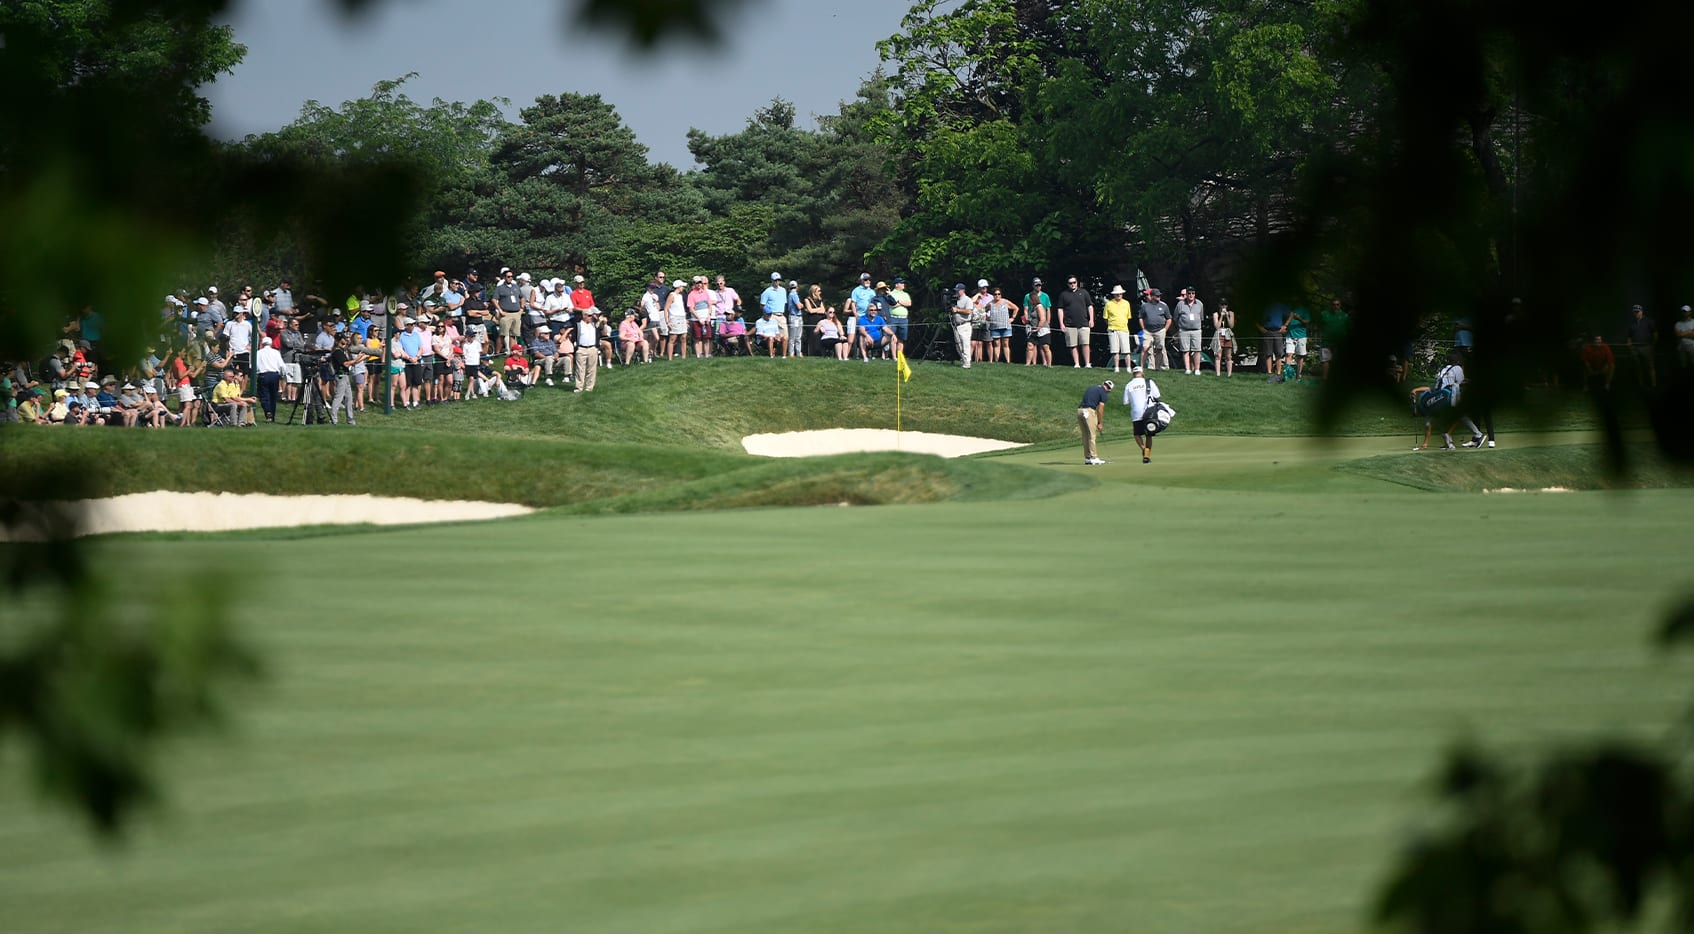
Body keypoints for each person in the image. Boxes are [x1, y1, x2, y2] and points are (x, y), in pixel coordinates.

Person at [1411, 353, 1468, 450]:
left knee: (1429, 421)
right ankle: (1448, 438)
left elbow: (1432, 388)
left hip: (1435, 397)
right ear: (1458, 362)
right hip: (1447, 396)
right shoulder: (1457, 368)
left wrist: (1415, 390)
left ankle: (1425, 444)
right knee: (1459, 416)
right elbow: (1461, 383)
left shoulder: (1443, 370)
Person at [1121, 365, 1162, 463]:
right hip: (1149, 411)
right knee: (1149, 434)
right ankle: (1147, 454)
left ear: (1133, 374)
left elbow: (1125, 402)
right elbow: (1157, 395)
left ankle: (1143, 449)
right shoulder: (1148, 382)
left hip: (1136, 412)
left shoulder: (1129, 385)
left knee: (1137, 434)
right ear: (1142, 373)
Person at [1056, 275, 1096, 367]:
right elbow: (1060, 309)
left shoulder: (1084, 292)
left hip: (1084, 323)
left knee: (1085, 343)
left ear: (1077, 283)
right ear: (1067, 284)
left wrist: (1091, 319)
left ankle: (1087, 363)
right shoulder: (1064, 294)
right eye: (1070, 283)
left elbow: (1090, 306)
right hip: (1069, 324)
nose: (1072, 284)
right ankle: (1077, 363)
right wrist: (1061, 323)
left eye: (1074, 282)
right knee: (1072, 345)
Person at [1077, 377, 1114, 466]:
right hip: (1089, 411)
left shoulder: (1092, 388)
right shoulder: (1104, 393)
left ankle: (1088, 458)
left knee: (1085, 435)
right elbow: (1100, 409)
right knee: (1092, 435)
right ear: (1109, 389)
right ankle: (1094, 457)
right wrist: (1100, 423)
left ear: (1103, 383)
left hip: (1080, 411)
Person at [1137, 288, 1171, 371]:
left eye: (1159, 295)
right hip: (1148, 331)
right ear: (1152, 296)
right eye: (1157, 296)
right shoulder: (1145, 306)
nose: (1159, 297)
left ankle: (1157, 367)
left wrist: (1165, 330)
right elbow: (1140, 317)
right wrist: (1143, 328)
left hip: (1160, 330)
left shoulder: (1164, 305)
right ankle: (1142, 367)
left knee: (1159, 348)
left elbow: (1169, 319)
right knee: (1145, 348)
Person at [1102, 285, 1134, 372]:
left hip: (1124, 329)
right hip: (1113, 329)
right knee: (1115, 350)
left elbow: (1128, 317)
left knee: (1126, 350)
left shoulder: (1126, 303)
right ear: (1114, 295)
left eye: (1120, 294)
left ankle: (1128, 368)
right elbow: (1105, 318)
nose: (1119, 295)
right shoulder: (1109, 304)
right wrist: (1111, 325)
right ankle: (1116, 367)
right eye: (1117, 294)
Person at [1175, 286, 1205, 375]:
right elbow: (1175, 317)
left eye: (1193, 293)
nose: (1191, 295)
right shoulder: (1180, 304)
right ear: (1186, 294)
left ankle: (1197, 369)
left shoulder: (1199, 304)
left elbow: (1201, 317)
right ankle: (1187, 369)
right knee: (1185, 350)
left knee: (1197, 350)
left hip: (1196, 330)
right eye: (1189, 293)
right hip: (1184, 330)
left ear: (1195, 294)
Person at [1022, 277, 1052, 366]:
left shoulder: (1039, 307)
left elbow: (1043, 319)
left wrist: (1037, 329)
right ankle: (1028, 364)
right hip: (1033, 327)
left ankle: (1049, 364)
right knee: (1030, 345)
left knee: (1045, 346)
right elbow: (1025, 310)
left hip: (1042, 328)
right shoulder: (1029, 298)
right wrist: (1028, 323)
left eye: (1039, 285)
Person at [253, 336, 284, 423]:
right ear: (271, 344)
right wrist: (282, 375)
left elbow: (253, 365)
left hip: (263, 375)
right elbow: (281, 365)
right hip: (274, 375)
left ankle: (268, 411)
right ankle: (272, 416)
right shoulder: (276, 352)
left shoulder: (258, 353)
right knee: (273, 396)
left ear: (262, 344)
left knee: (264, 395)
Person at [572, 307, 603, 392]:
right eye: (589, 316)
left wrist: (599, 320)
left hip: (592, 348)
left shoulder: (594, 325)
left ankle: (589, 387)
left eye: (591, 316)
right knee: (580, 369)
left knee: (592, 369)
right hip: (581, 348)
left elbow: (602, 330)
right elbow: (574, 336)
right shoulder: (578, 325)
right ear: (584, 316)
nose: (591, 317)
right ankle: (579, 387)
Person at [1317, 298, 1348, 380]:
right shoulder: (1324, 314)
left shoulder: (1344, 316)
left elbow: (1348, 328)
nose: (1335, 306)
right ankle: (1324, 378)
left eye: (1337, 304)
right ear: (1331, 305)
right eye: (1334, 304)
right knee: (1325, 360)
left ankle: (1336, 379)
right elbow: (1319, 324)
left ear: (1340, 305)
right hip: (1326, 341)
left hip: (1339, 342)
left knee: (1337, 361)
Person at [1626, 304, 1657, 387]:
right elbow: (1629, 337)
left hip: (1647, 347)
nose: (1636, 313)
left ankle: (1654, 384)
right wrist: (1629, 344)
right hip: (1635, 348)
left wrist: (1653, 344)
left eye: (1638, 311)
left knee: (1650, 367)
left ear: (1641, 311)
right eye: (1635, 312)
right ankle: (1641, 385)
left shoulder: (1648, 321)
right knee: (1638, 368)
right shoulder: (1632, 324)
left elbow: (1655, 333)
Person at [985, 285, 1014, 363]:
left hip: (1005, 325)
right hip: (995, 326)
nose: (997, 295)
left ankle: (1008, 361)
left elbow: (1016, 308)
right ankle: (996, 361)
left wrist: (1012, 318)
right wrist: (987, 317)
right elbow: (984, 310)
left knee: (1005, 343)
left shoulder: (1005, 302)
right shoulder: (990, 304)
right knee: (996, 343)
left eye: (999, 294)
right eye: (995, 294)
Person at [949, 282, 975, 368]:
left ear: (963, 290)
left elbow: (969, 311)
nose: (956, 292)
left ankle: (967, 363)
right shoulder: (956, 300)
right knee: (958, 345)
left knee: (965, 344)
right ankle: (963, 360)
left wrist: (957, 310)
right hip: (957, 325)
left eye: (958, 290)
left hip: (965, 325)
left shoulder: (967, 300)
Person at [1259, 304, 1288, 376]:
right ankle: (1269, 372)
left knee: (1279, 353)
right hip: (1267, 331)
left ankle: (1278, 373)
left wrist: (1285, 325)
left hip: (1278, 331)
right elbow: (1255, 318)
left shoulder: (1280, 305)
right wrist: (1261, 328)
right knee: (1268, 353)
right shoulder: (1265, 306)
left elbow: (1291, 314)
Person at [1285, 305, 1311, 379]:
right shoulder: (1288, 309)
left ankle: (1298, 375)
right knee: (1288, 354)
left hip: (1301, 336)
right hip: (1290, 335)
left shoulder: (1305, 309)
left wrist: (1299, 318)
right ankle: (1287, 375)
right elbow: (1285, 320)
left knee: (1300, 356)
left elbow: (1307, 322)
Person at [1211, 301, 1236, 377]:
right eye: (1222, 305)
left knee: (1228, 356)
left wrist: (1227, 316)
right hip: (1219, 333)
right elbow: (1217, 326)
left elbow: (1231, 325)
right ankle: (1218, 374)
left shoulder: (1231, 313)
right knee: (1218, 355)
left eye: (1225, 305)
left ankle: (1229, 374)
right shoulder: (1216, 314)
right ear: (1219, 305)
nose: (1224, 306)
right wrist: (1221, 316)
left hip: (1228, 333)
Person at [887, 277, 913, 347]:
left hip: (903, 319)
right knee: (893, 338)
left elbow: (909, 303)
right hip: (893, 318)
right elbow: (892, 305)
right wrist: (900, 303)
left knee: (901, 339)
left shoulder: (905, 294)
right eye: (901, 283)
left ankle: (900, 356)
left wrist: (899, 302)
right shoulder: (891, 294)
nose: (903, 284)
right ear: (896, 285)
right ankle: (894, 357)